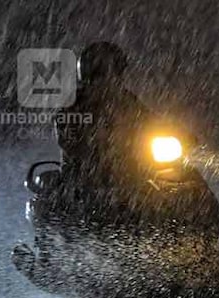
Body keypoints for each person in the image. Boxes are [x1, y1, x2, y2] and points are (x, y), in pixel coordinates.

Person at [55, 41, 153, 190]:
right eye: (101, 75)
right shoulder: (73, 105)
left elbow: (150, 119)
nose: (110, 79)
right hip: (87, 176)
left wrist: (181, 135)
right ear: (89, 77)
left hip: (130, 170)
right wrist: (96, 146)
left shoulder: (127, 100)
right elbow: (68, 140)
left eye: (115, 73)